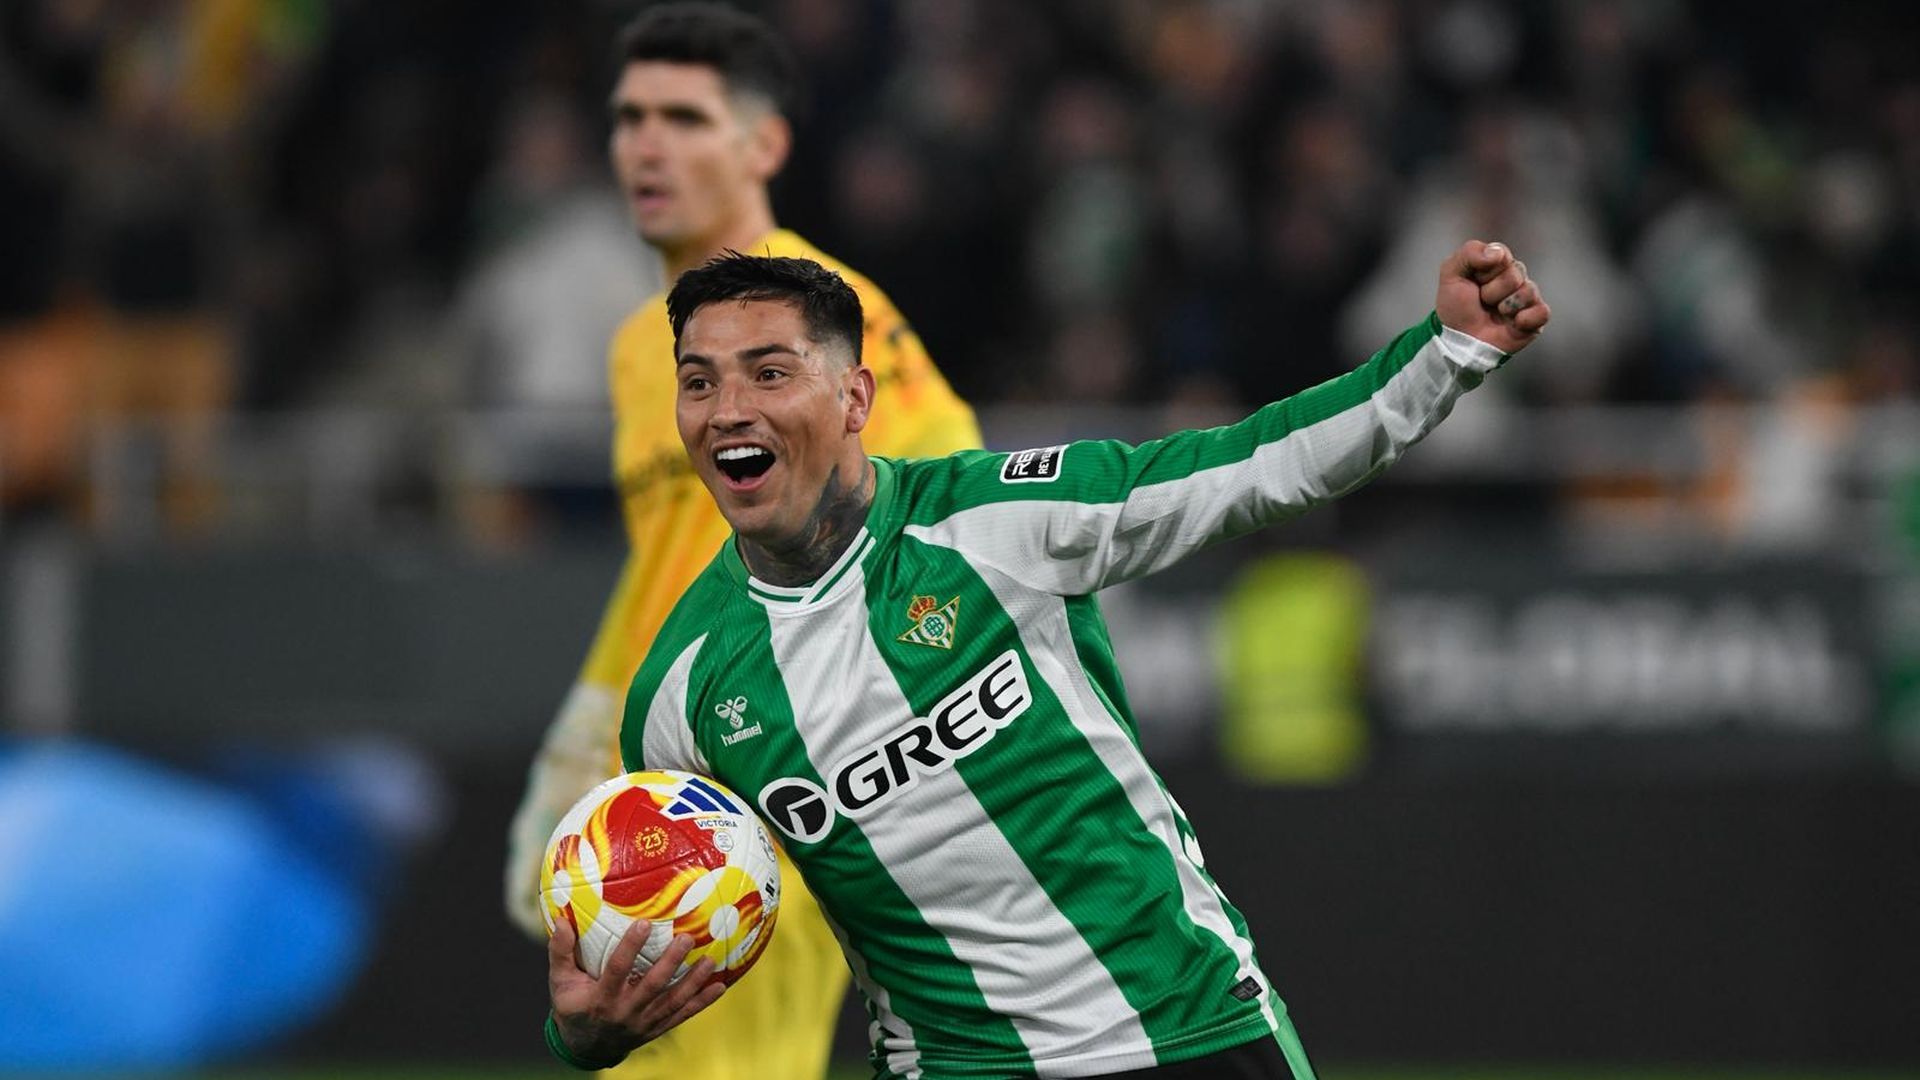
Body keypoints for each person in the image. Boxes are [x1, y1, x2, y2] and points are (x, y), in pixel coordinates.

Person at [543, 243, 1550, 1077]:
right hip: (952, 1068)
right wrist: (587, 1038)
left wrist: (1448, 352)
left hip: (1186, 1030)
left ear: (853, 398)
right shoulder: (681, 692)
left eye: (769, 373)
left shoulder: (1000, 522)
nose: (728, 408)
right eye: (699, 382)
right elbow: (672, 927)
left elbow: (1257, 467)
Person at [503, 5, 982, 1079]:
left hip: (767, 777)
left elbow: (949, 495)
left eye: (685, 118)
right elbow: (662, 555)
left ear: (764, 145)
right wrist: (586, 724)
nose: (647, 146)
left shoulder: (825, 321)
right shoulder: (646, 347)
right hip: (660, 785)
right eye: (630, 118)